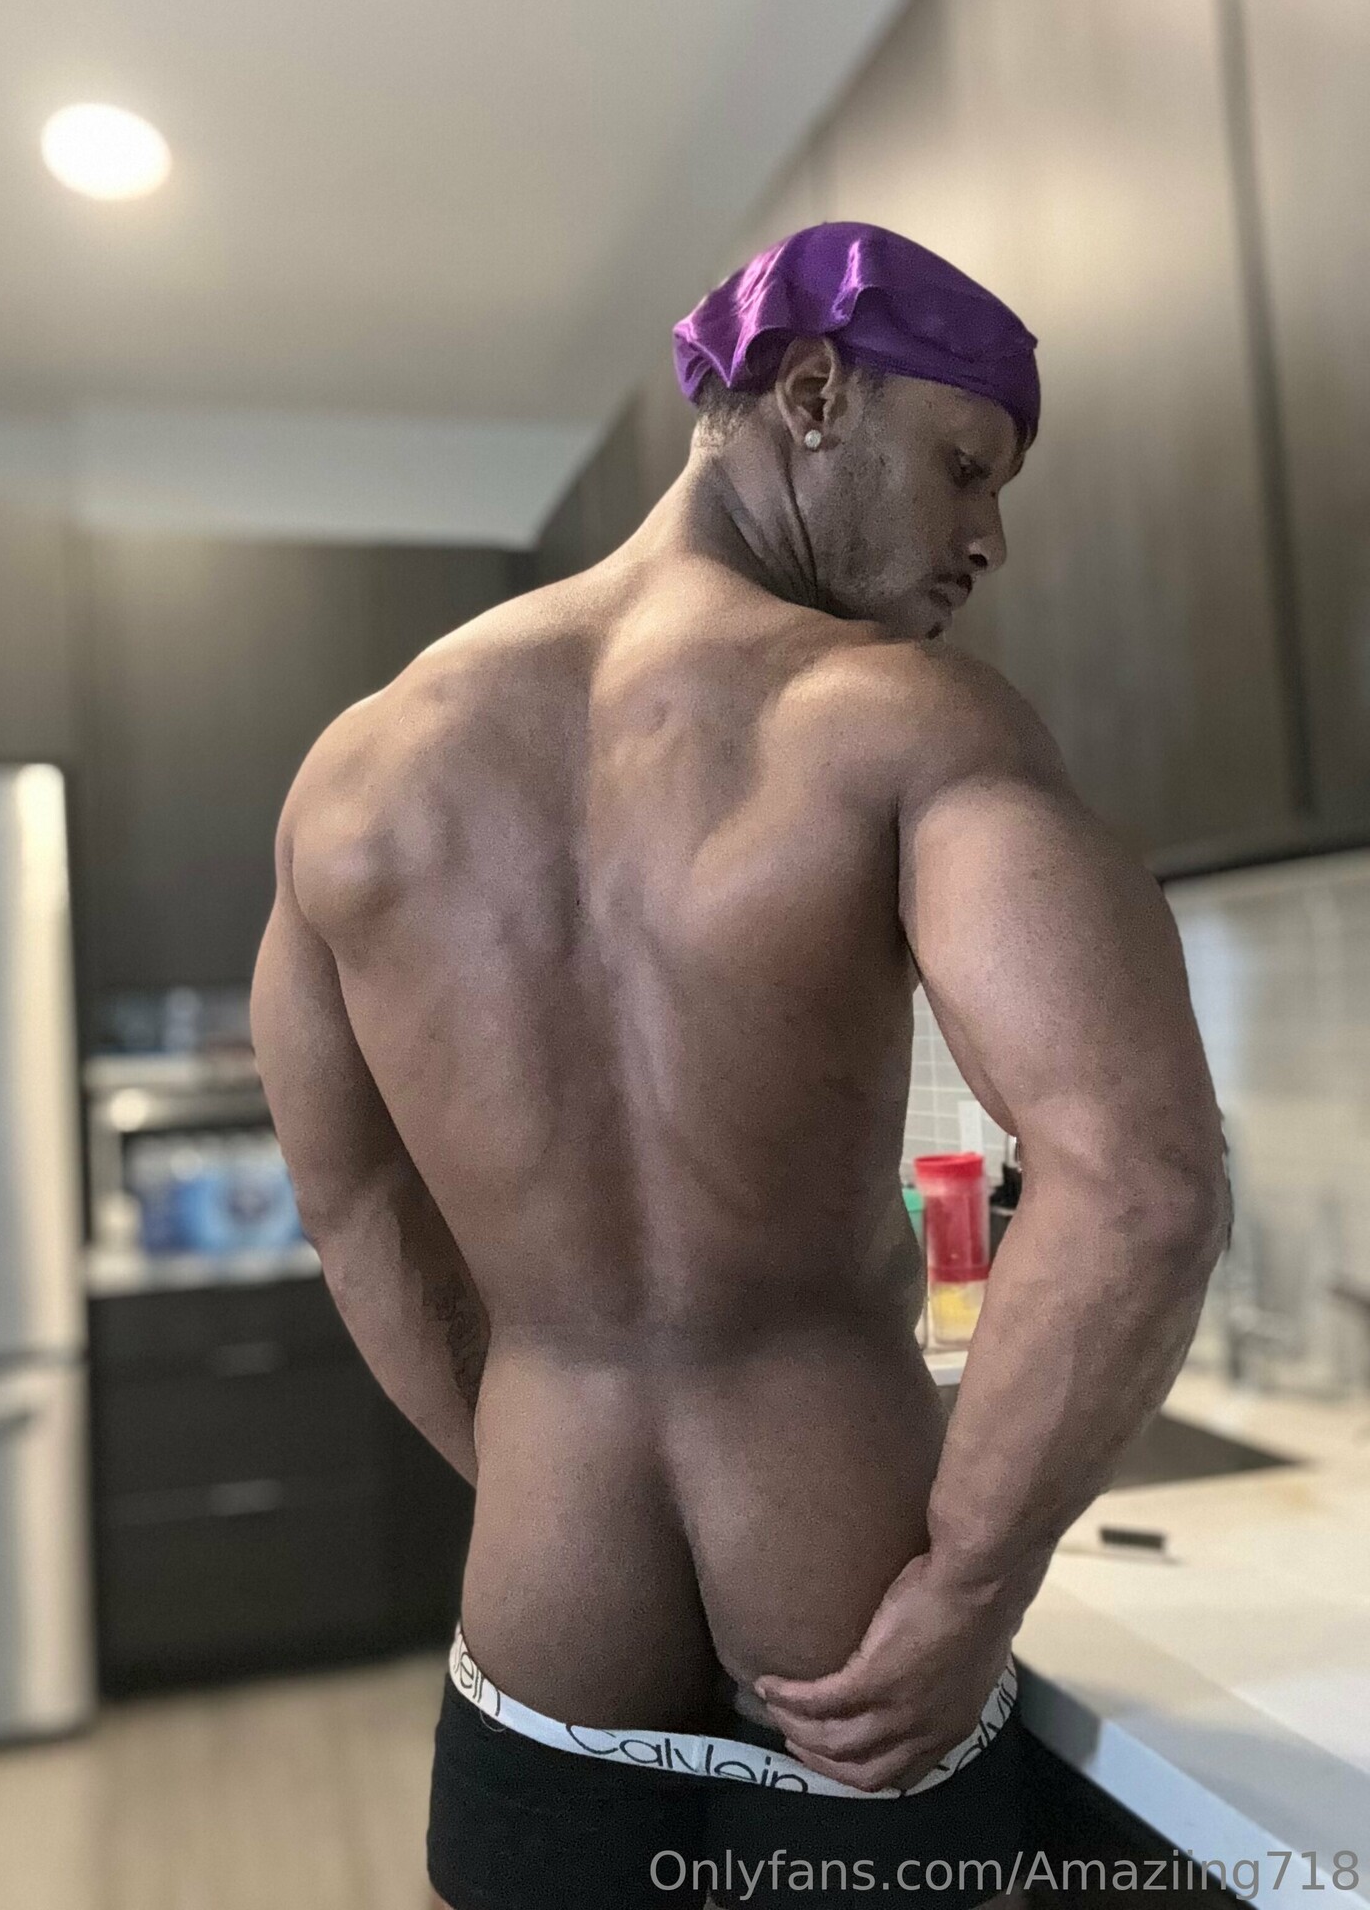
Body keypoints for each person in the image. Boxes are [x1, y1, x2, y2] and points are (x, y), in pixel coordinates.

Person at [250, 222, 1232, 1910]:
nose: (989, 539)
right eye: (966, 467)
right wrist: (970, 1586)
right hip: (861, 1675)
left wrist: (544, 1486)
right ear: (812, 391)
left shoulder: (353, 775)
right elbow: (1142, 1185)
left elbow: (352, 1216)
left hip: (541, 1647)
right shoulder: (910, 721)